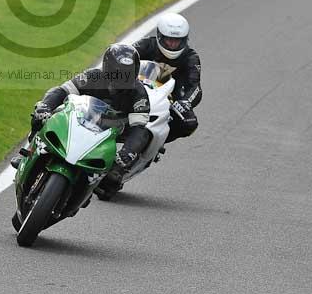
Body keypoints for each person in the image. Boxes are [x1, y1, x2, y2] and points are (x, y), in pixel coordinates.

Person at [11, 43, 153, 178]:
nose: (122, 78)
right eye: (117, 73)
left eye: (127, 74)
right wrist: (45, 106)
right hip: (84, 119)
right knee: (42, 113)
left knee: (146, 136)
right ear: (107, 68)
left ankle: (117, 172)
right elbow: (62, 91)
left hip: (114, 132)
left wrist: (127, 152)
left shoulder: (139, 93)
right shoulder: (92, 76)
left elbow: (139, 129)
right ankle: (29, 150)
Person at [132, 12, 201, 143]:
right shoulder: (146, 44)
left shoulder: (191, 57)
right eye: (169, 40)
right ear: (159, 36)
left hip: (169, 101)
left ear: (185, 39)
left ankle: (157, 141)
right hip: (137, 92)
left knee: (190, 123)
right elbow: (124, 58)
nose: (172, 44)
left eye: (177, 41)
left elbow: (195, 87)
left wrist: (186, 102)